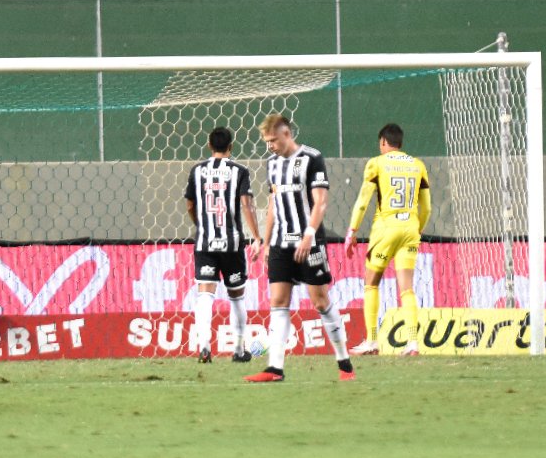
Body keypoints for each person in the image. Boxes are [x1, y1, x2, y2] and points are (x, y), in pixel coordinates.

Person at [245, 114, 353, 383]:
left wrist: (308, 234)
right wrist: (265, 241)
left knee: (320, 302)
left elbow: (321, 201)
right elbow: (274, 203)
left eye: (273, 140)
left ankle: (345, 364)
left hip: (309, 243)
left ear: (286, 134)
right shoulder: (271, 163)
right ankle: (275, 368)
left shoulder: (312, 158)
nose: (270, 146)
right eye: (266, 142)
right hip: (280, 243)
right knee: (278, 302)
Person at [344, 123, 431, 357]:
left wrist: (352, 231)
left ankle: (372, 340)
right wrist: (417, 229)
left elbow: (363, 202)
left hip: (385, 230)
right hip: (410, 229)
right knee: (407, 288)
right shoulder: (417, 165)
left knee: (371, 283)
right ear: (400, 142)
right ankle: (412, 343)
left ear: (383, 142)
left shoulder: (377, 163)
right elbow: (427, 208)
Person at [184, 127, 264, 363]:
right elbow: (247, 204)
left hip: (205, 242)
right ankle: (239, 350)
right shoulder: (239, 171)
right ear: (231, 146)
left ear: (209, 145)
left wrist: (201, 224)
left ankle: (204, 347)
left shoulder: (197, 171)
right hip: (232, 244)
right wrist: (257, 237)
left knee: (205, 294)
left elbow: (190, 205)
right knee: (236, 296)